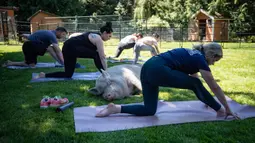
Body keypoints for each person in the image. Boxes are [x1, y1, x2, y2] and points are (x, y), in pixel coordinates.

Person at [96, 42, 240, 119]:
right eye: (215, 59)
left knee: (149, 110)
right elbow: (213, 87)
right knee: (196, 84)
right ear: (210, 54)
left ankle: (115, 109)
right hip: (157, 69)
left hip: (147, 68)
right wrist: (225, 108)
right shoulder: (200, 59)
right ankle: (220, 112)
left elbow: (194, 82)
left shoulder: (193, 56)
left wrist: (208, 101)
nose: (214, 63)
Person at [33, 22, 113, 79]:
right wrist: (106, 71)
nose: (109, 38)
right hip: (71, 48)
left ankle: (44, 75)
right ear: (105, 33)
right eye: (109, 36)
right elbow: (102, 57)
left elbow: (101, 56)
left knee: (68, 74)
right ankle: (105, 74)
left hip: (68, 48)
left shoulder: (94, 35)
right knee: (96, 54)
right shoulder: (98, 38)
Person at [2, 27, 67, 67]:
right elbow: (58, 51)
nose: (63, 36)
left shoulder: (49, 33)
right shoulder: (52, 35)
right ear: (58, 32)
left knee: (30, 65)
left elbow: (32, 36)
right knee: (51, 48)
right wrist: (63, 62)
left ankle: (10, 63)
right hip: (30, 46)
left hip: (30, 46)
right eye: (63, 34)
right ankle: (61, 63)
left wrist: (24, 35)